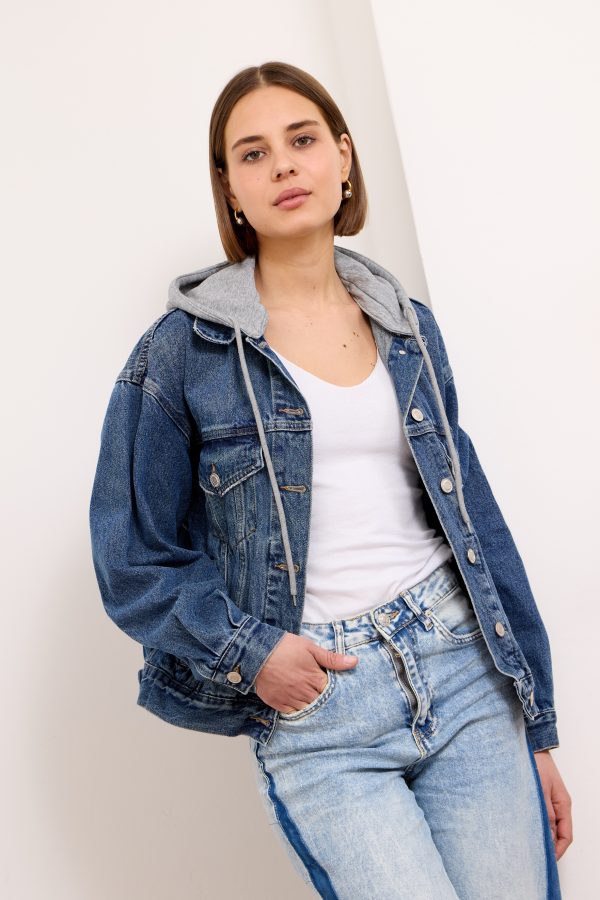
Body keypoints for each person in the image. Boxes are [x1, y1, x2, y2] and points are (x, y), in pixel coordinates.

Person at [89, 60, 572, 898]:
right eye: (253, 153)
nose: (283, 165)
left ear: (343, 158)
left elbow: (475, 522)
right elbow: (132, 559)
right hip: (323, 709)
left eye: (303, 140)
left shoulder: (407, 326)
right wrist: (254, 655)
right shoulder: (183, 353)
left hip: (464, 668)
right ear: (230, 188)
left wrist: (537, 724)